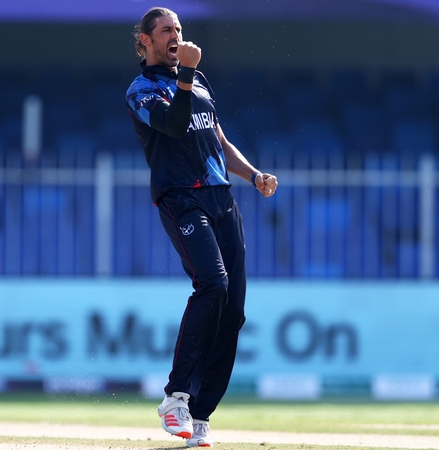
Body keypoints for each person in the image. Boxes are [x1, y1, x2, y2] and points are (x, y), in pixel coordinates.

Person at [126, 7, 278, 448]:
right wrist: (187, 74)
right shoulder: (142, 90)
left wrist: (253, 175)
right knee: (212, 284)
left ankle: (200, 415)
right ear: (146, 41)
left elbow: (219, 140)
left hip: (221, 196)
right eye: (165, 30)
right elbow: (174, 127)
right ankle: (176, 397)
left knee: (233, 311)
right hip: (181, 197)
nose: (175, 35)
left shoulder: (198, 81)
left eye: (178, 28)